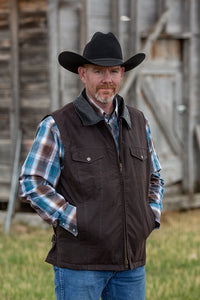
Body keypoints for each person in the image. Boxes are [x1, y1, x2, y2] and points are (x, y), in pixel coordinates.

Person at [19, 32, 164, 300]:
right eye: (98, 71)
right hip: (80, 266)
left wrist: (150, 215)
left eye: (113, 71)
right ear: (82, 74)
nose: (106, 80)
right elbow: (32, 183)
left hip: (130, 266)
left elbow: (154, 176)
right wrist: (76, 220)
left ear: (122, 73)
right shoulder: (58, 124)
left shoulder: (139, 121)